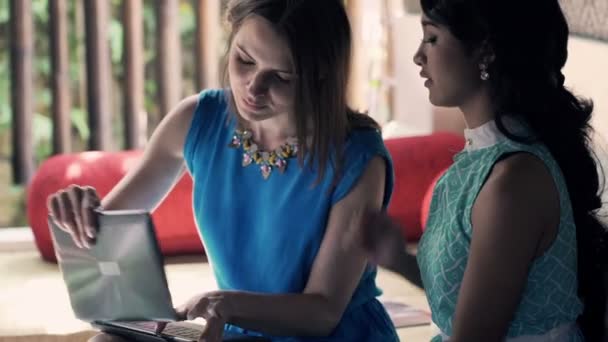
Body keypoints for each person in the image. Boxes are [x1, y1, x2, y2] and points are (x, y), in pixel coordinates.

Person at [46, 0, 399, 341]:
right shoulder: (199, 119)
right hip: (236, 331)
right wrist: (86, 214)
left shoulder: (357, 157)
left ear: (321, 75)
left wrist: (225, 303)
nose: (253, 88)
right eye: (244, 60)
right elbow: (107, 238)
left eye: (280, 77)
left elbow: (323, 312)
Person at [358, 0, 608, 340]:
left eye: (431, 38)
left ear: (485, 52)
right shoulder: (486, 160)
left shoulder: (514, 182)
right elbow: (470, 296)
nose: (418, 56)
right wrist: (399, 259)